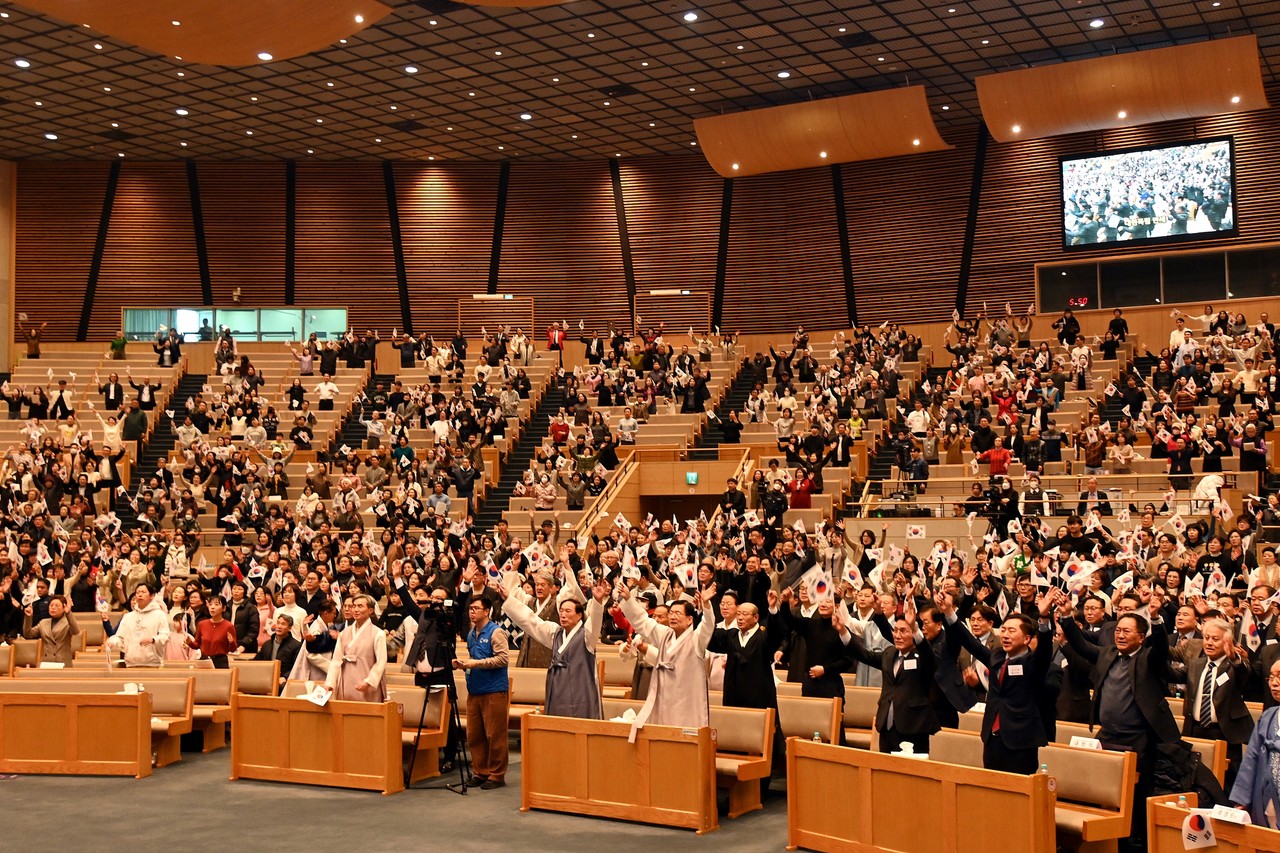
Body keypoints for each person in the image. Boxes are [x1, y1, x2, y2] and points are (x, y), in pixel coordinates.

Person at [941, 588, 1059, 774]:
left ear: (1027, 639)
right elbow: (970, 642)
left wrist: (1044, 617)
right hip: (992, 737)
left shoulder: (1034, 663)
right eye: (1003, 630)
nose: (1005, 635)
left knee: (1017, 788)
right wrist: (949, 612)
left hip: (1020, 741)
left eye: (1011, 631)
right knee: (992, 786)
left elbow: (1045, 650)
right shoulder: (996, 656)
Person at [499, 564, 609, 719]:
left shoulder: (587, 636)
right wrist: (509, 599)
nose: (563, 615)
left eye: (568, 611)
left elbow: (595, 622)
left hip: (581, 693)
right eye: (561, 611)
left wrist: (597, 602)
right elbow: (531, 621)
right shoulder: (555, 633)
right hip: (557, 689)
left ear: (579, 616)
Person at [616, 579, 715, 739]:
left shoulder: (697, 639)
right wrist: (628, 599)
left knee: (684, 738)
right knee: (661, 736)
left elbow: (707, 626)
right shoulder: (665, 634)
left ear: (690, 620)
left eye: (678, 613)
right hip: (663, 698)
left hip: (686, 702)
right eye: (671, 613)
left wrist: (707, 605)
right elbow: (643, 622)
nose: (673, 617)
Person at [845, 596, 939, 754]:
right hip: (887, 726)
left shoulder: (923, 657)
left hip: (913, 727)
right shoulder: (889, 654)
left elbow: (928, 654)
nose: (897, 636)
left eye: (904, 631)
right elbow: (863, 655)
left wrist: (914, 627)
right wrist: (843, 632)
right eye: (895, 630)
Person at [1175, 617, 1252, 789]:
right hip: (1195, 730)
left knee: (1226, 783)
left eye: (1215, 639)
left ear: (1227, 642)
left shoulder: (1236, 665)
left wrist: (1234, 658)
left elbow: (1244, 676)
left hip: (1224, 732)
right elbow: (1172, 675)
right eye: (1206, 637)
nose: (1209, 642)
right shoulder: (1196, 664)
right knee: (1194, 780)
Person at [456, 592, 509, 789]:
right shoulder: (471, 634)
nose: (472, 612)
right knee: (474, 735)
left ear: (487, 611)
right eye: (470, 609)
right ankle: (480, 771)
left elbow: (503, 659)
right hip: (475, 689)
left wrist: (475, 663)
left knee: (495, 735)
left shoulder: (496, 632)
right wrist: (463, 665)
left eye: (476, 609)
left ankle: (496, 774)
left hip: (494, 690)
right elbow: (474, 659)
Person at [1229, 658, 1280, 828]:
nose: (1274, 683)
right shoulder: (1268, 716)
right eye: (1271, 678)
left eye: (1279, 677)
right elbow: (1251, 758)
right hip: (1265, 797)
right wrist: (1241, 800)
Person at [323, 594, 388, 702]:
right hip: (346, 681)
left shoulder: (378, 633)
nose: (356, 609)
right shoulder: (344, 632)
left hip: (366, 683)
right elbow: (336, 660)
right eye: (354, 606)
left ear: (370, 610)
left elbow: (381, 662)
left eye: (360, 606)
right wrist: (330, 682)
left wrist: (369, 681)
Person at [106, 583, 171, 667]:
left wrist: (153, 639)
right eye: (137, 592)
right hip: (130, 663)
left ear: (151, 596)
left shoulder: (160, 615)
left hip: (153, 663)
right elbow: (120, 637)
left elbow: (165, 635)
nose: (140, 595)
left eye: (143, 592)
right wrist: (112, 641)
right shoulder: (128, 616)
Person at [21, 594, 80, 664]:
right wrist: (28, 617)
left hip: (62, 661)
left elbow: (75, 631)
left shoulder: (68, 622)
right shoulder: (43, 622)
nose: (53, 608)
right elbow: (28, 634)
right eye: (51, 605)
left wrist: (69, 613)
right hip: (46, 661)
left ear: (64, 608)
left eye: (57, 605)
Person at [187, 594, 237, 668]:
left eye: (216, 604)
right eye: (210, 604)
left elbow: (233, 649)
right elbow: (197, 644)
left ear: (224, 608)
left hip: (220, 661)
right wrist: (189, 642)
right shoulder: (202, 624)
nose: (212, 607)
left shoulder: (228, 626)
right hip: (204, 660)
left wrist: (231, 642)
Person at [254, 614, 301, 689]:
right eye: (278, 623)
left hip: (283, 680)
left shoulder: (296, 645)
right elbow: (256, 661)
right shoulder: (267, 644)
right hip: (265, 677)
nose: (279, 626)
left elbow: (297, 667)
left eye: (283, 624)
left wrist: (285, 677)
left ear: (289, 628)